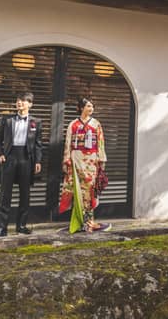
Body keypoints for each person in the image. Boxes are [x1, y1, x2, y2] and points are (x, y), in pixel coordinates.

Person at [0, 92, 42, 237]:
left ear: (30, 104)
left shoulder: (36, 122)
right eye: (18, 101)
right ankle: (1, 228)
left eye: (23, 101)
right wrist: (0, 154)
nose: (19, 103)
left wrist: (38, 161)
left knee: (25, 194)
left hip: (26, 159)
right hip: (9, 158)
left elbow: (38, 144)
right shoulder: (7, 120)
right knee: (4, 194)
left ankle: (21, 226)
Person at [59, 97, 108, 233]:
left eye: (92, 106)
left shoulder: (96, 124)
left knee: (89, 190)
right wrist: (66, 160)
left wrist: (101, 160)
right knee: (77, 189)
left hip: (91, 160)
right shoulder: (73, 124)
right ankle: (78, 220)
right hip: (76, 159)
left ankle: (89, 221)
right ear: (81, 108)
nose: (91, 109)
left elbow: (100, 142)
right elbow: (68, 143)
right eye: (88, 106)